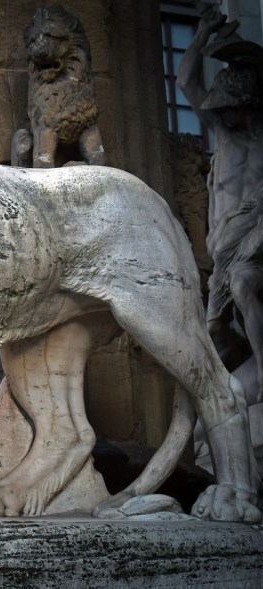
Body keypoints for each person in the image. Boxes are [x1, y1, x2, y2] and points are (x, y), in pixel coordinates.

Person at [178, 6, 263, 403]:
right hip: (219, 254)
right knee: (214, 330)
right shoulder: (223, 135)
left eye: (225, 105)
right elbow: (185, 80)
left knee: (238, 296)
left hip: (252, 247)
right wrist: (203, 33)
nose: (218, 113)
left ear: (243, 103)